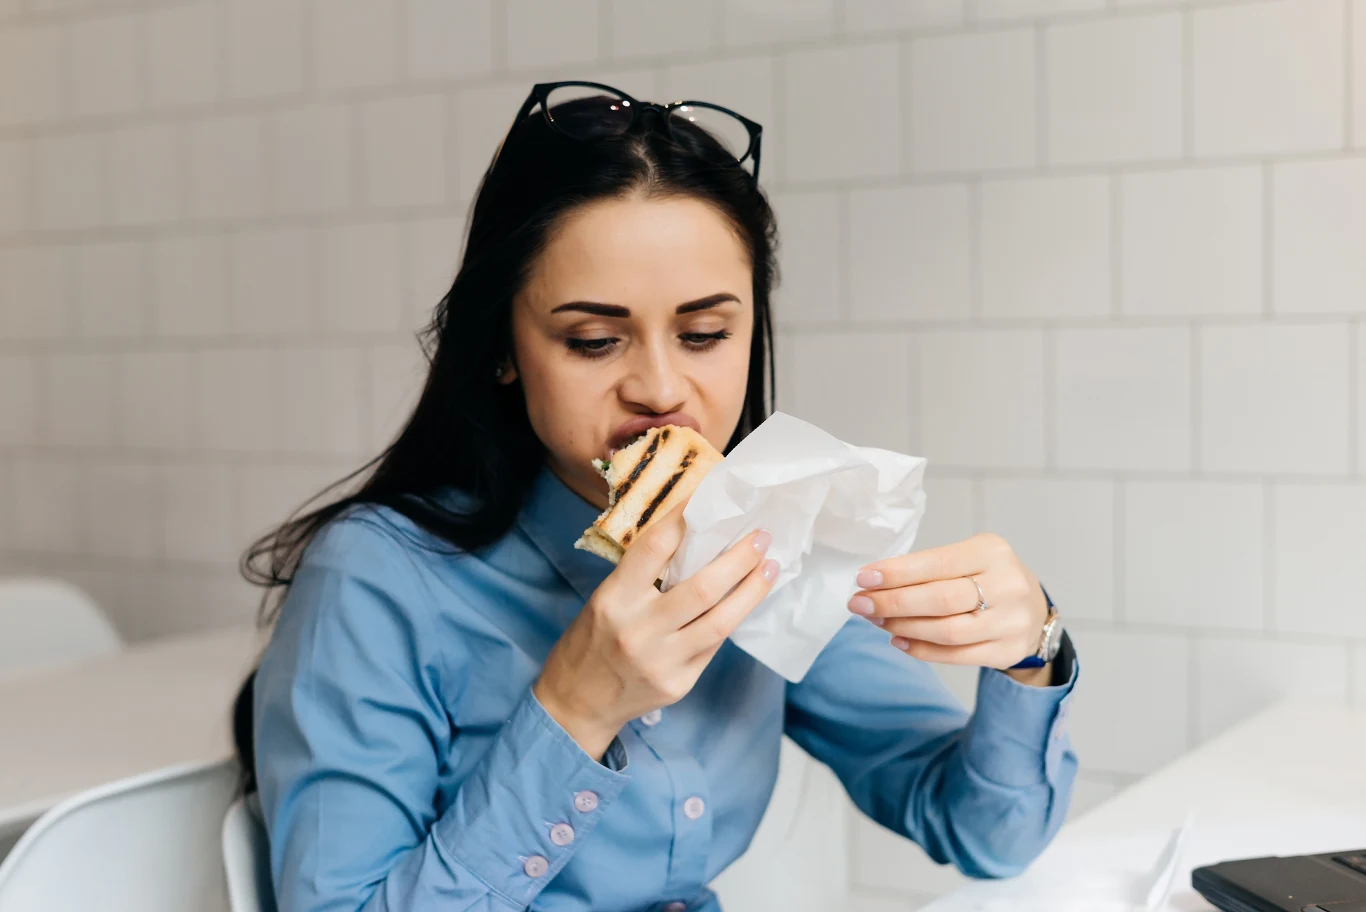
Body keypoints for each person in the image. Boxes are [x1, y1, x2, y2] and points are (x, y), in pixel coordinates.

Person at [235, 82, 1079, 912]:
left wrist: (1031, 650)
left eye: (706, 334)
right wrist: (575, 705)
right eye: (595, 340)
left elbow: (988, 835)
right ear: (503, 347)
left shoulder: (767, 541)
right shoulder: (378, 578)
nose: (662, 387)